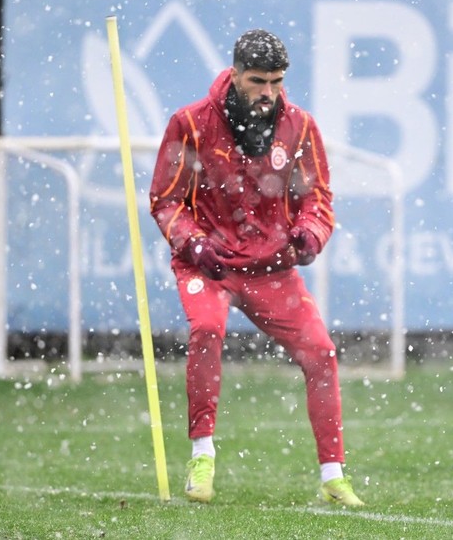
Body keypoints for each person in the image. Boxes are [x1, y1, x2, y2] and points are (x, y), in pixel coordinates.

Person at [149, 29, 364, 507]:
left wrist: (312, 233)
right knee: (207, 328)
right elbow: (165, 200)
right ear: (235, 75)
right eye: (258, 81)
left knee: (323, 354)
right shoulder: (190, 123)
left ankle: (333, 475)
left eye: (277, 82)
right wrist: (195, 243)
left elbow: (318, 199)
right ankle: (202, 455)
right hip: (209, 264)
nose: (268, 93)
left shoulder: (300, 126)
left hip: (271, 268)